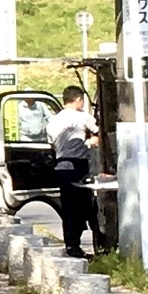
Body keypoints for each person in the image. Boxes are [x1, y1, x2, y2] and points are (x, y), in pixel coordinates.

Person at [47, 83, 98, 255]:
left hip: (61, 167)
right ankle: (99, 242)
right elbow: (99, 134)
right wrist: (90, 142)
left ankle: (71, 244)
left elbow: (52, 145)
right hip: (78, 166)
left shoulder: (53, 120)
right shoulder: (82, 117)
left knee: (68, 208)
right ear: (78, 99)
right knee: (87, 206)